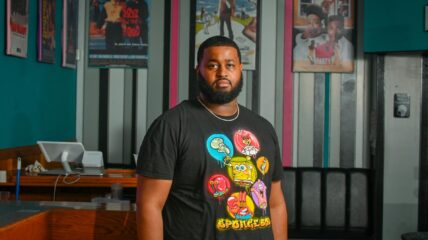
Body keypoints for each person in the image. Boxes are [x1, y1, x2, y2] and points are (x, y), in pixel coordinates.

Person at [136, 35, 288, 240]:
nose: (222, 72)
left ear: (241, 69)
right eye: (213, 65)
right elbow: (149, 205)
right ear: (197, 70)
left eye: (230, 65)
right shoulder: (172, 125)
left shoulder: (263, 128)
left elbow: (275, 204)